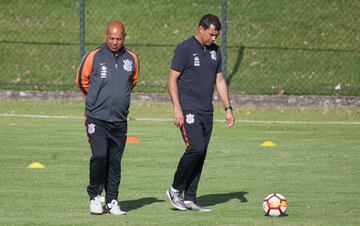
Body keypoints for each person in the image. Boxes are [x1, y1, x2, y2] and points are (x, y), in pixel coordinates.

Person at [166, 14, 235, 212]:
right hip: (188, 108)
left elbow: (219, 80)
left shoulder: (215, 51)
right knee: (195, 148)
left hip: (207, 111)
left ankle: (190, 198)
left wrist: (228, 109)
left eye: (216, 35)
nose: (213, 38)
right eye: (211, 34)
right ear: (201, 29)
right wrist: (177, 107)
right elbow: (172, 79)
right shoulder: (184, 49)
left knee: (201, 153)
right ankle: (175, 189)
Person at [76, 20, 139, 215]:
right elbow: (81, 81)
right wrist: (97, 99)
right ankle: (95, 196)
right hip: (96, 118)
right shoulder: (93, 56)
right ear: (105, 36)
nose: (114, 42)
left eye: (118, 39)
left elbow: (132, 82)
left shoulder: (132, 59)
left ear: (124, 38)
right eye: (111, 38)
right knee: (100, 156)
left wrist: (118, 99)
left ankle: (112, 201)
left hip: (119, 120)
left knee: (115, 161)